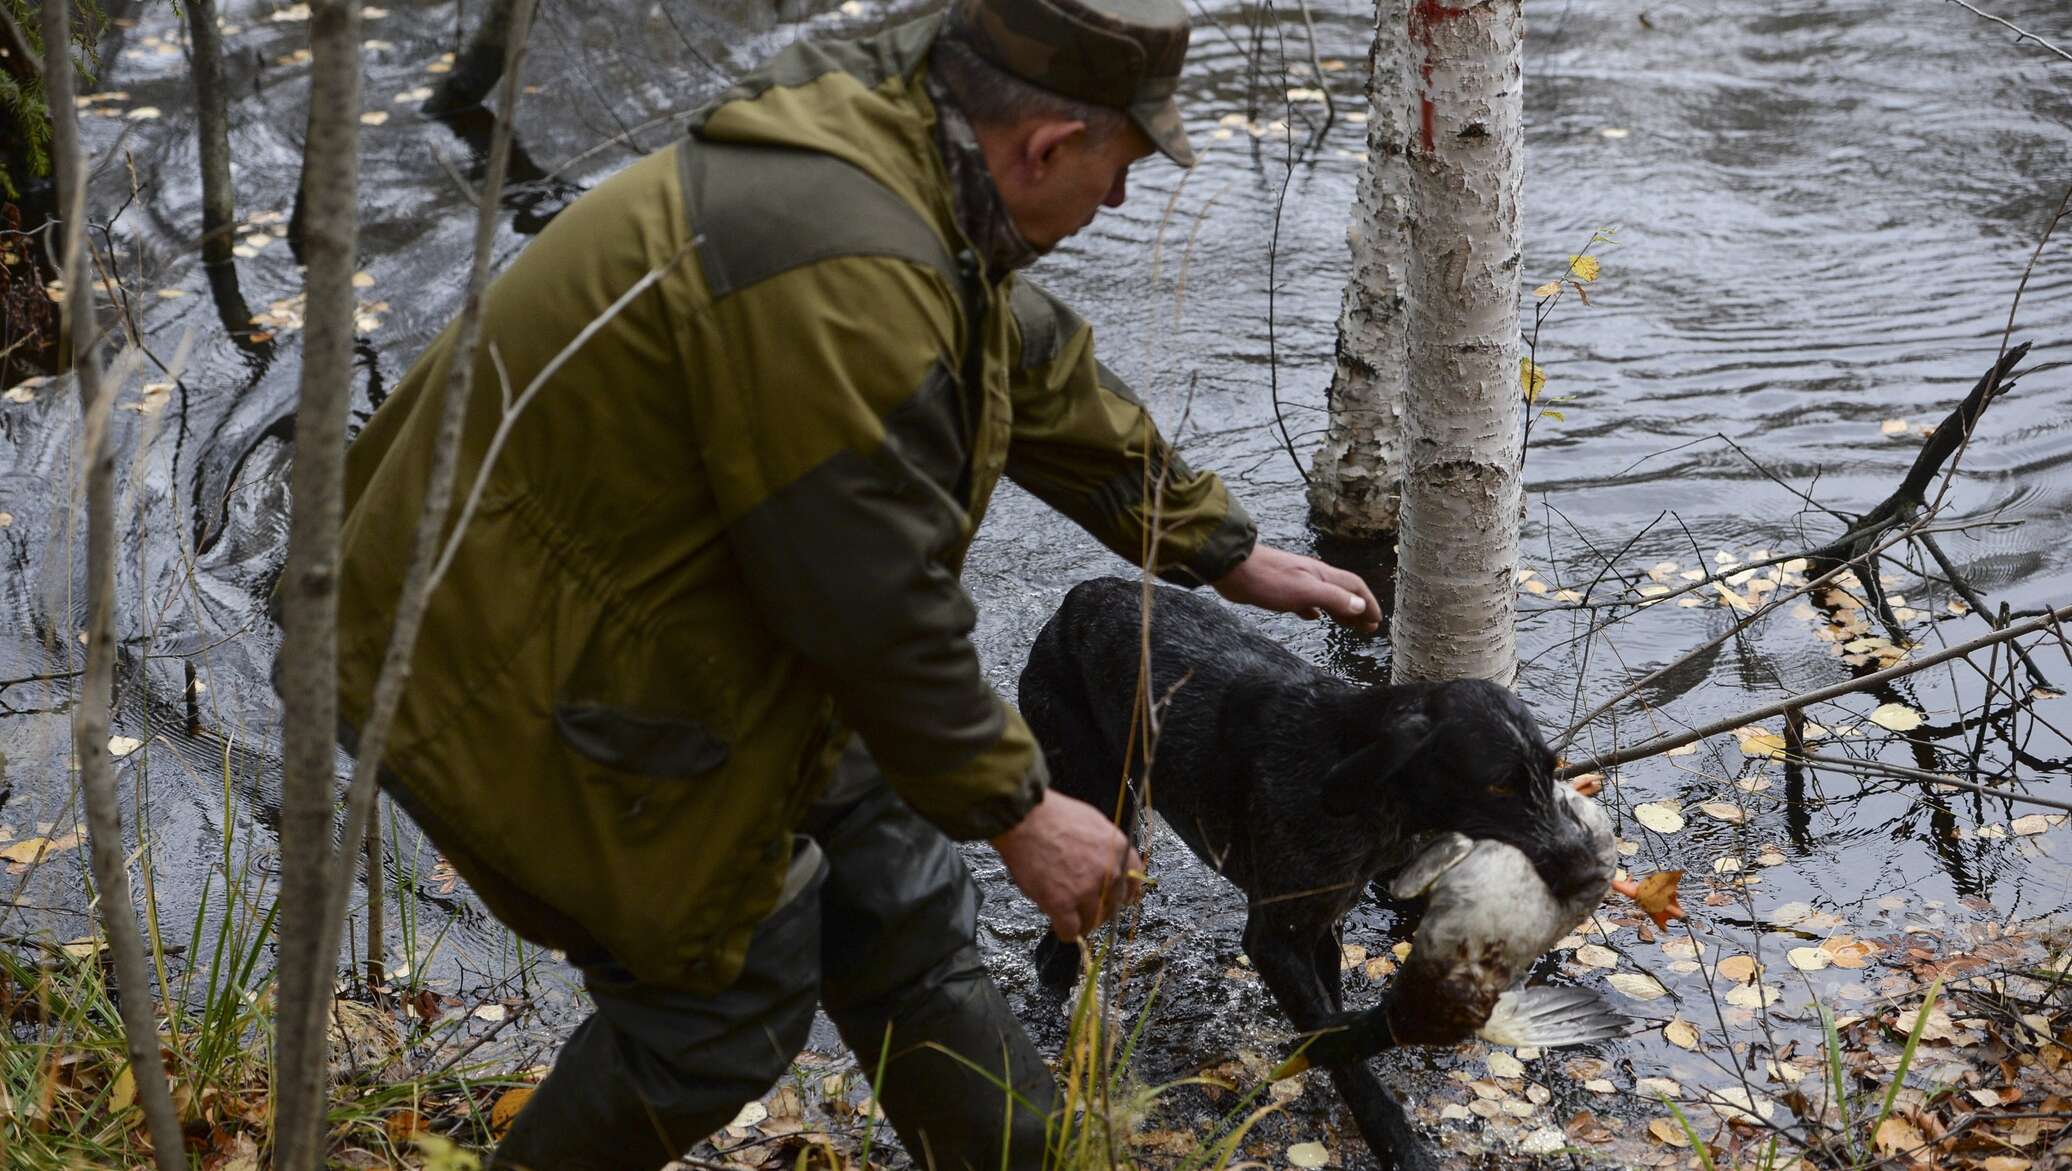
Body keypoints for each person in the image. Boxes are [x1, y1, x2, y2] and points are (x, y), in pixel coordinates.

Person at [331, 0, 1380, 1166]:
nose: (1119, 202)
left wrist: (1219, 548)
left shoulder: (901, 167)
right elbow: (866, 593)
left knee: (901, 906)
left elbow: (1026, 361)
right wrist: (1021, 810)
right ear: (1041, 146)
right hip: (505, 644)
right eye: (1119, 167)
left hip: (672, 602)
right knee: (720, 1009)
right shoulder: (838, 268)